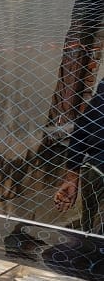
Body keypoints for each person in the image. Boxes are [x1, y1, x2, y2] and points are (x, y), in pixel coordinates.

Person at [55, 78, 104, 235]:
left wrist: (72, 176)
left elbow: (82, 126)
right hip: (97, 169)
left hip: (95, 170)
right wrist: (71, 178)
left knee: (91, 234)